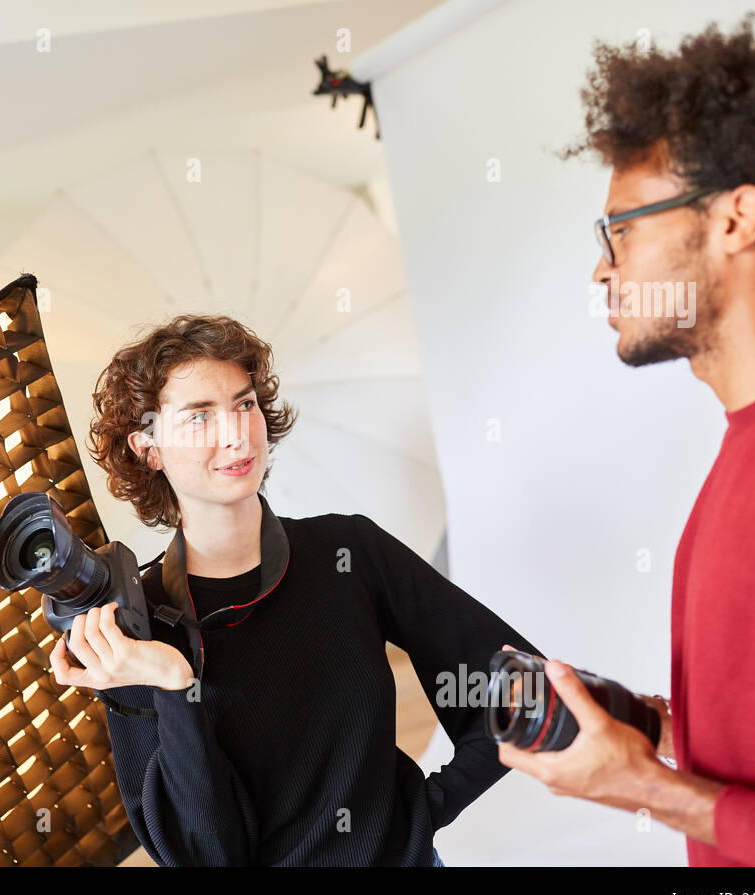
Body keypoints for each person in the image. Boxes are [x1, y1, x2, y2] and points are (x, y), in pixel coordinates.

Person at [497, 15, 755, 866]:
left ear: (737, 220)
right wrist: (654, 728)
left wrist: (646, 788)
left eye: (624, 228)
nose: (601, 268)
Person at [48, 314, 543, 865]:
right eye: (199, 417)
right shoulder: (138, 628)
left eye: (244, 404)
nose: (237, 434)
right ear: (148, 448)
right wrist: (172, 682)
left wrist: (424, 810)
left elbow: (522, 684)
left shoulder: (348, 549)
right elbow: (206, 855)